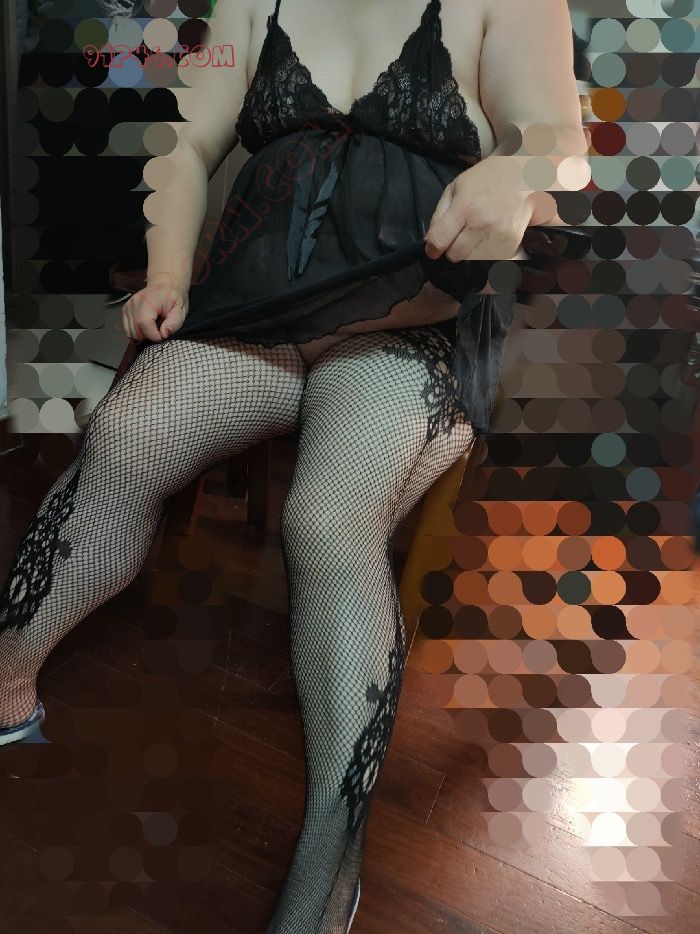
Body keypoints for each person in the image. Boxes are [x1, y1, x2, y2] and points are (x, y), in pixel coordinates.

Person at [0, 1, 588, 931]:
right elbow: (187, 143)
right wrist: (168, 275)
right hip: (256, 311)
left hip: (413, 329)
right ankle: (6, 676)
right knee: (124, 438)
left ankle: (330, 861)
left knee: (326, 519)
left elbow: (561, 141)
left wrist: (518, 170)